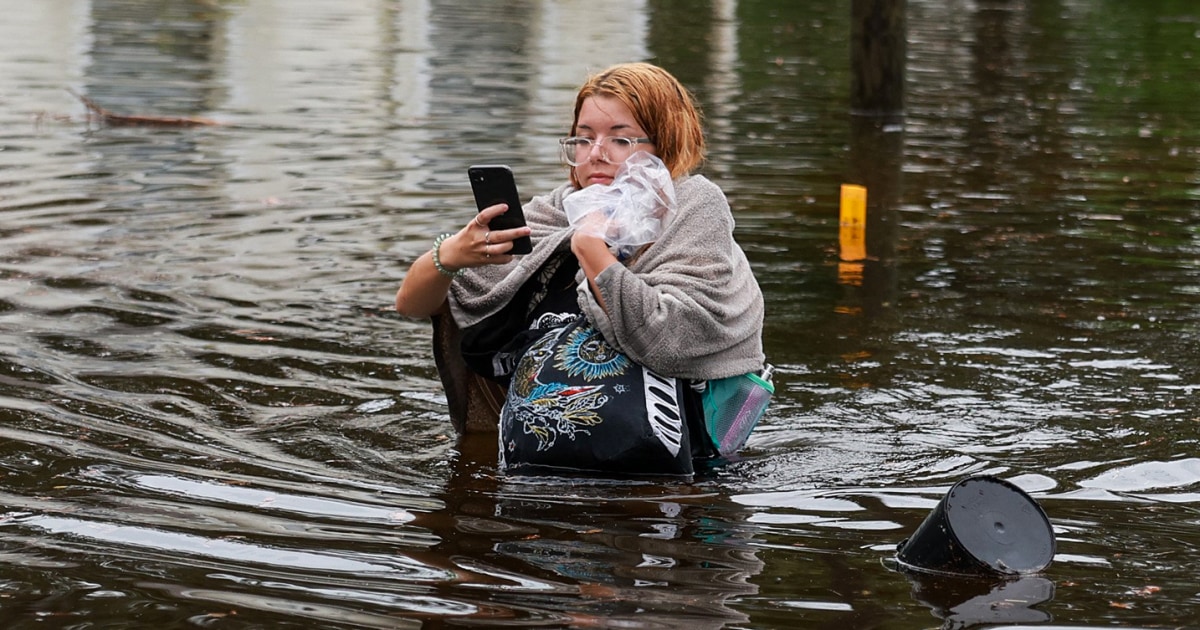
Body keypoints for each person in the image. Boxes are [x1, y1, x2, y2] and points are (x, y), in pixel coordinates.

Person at [395, 62, 765, 461]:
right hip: (546, 452)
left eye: (621, 141)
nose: (596, 155)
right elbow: (411, 305)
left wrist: (591, 247)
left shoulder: (693, 206)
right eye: (583, 139)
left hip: (669, 466)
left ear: (665, 142)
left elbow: (675, 337)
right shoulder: (558, 211)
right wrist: (449, 256)